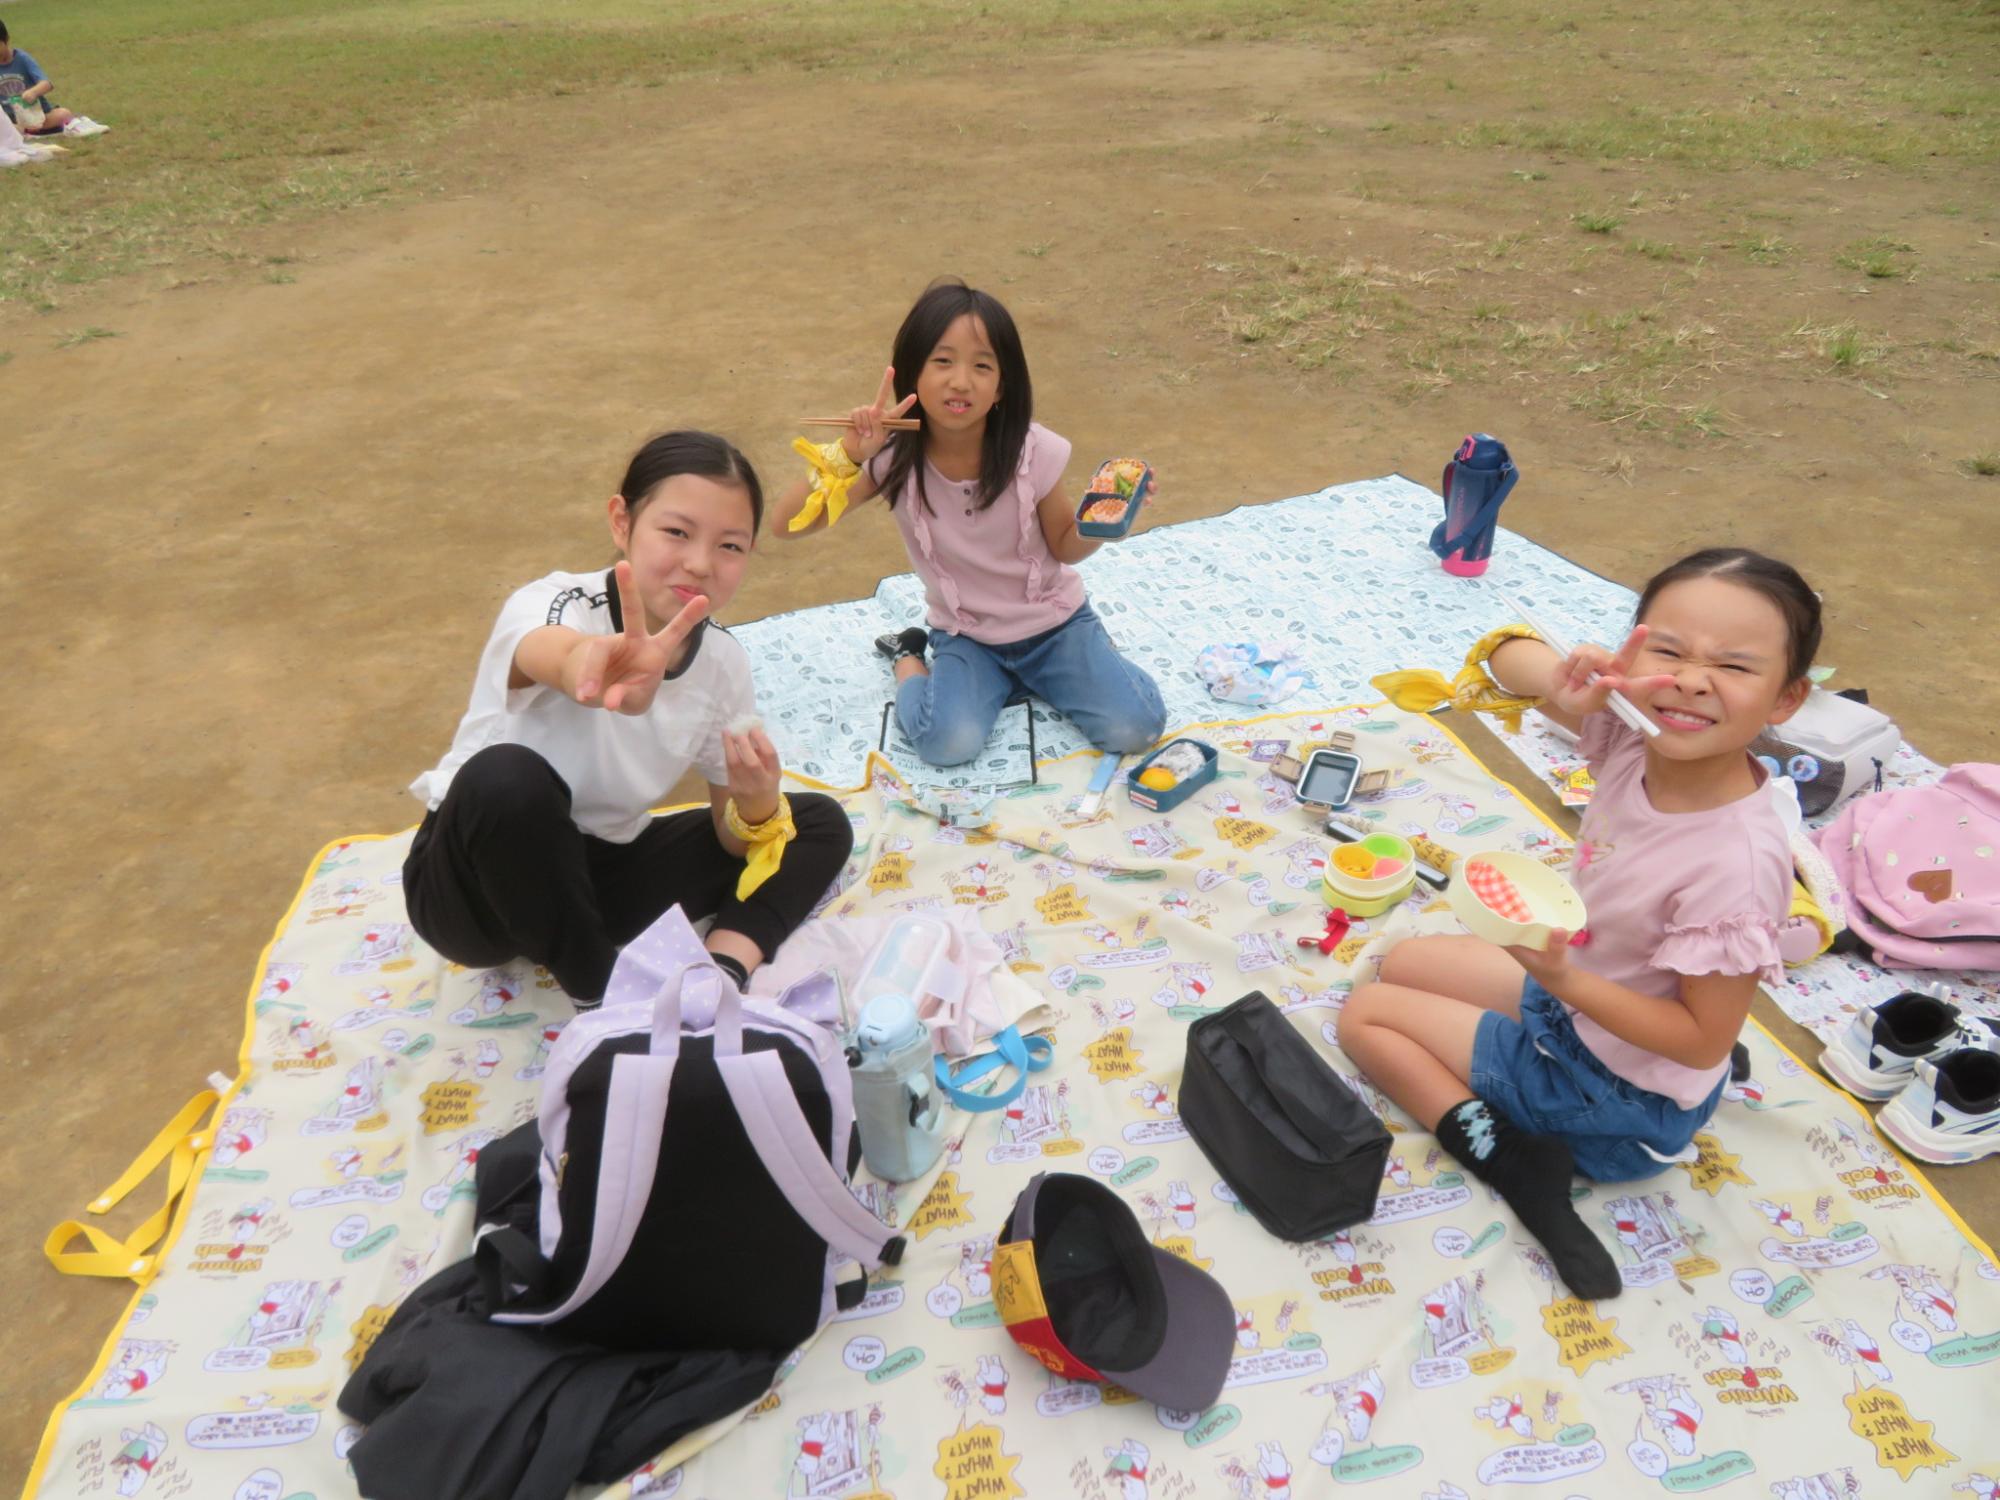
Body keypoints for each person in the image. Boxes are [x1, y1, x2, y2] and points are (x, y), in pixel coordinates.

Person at [1338, 548, 1817, 1299]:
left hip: (1615, 1101)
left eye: (1733, 665)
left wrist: (1562, 979)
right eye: (1669, 651)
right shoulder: (1635, 736)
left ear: (1787, 699)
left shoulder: (1737, 864)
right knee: (1403, 962)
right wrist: (1574, 682)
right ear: (1632, 653)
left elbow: (1702, 1040)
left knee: (1366, 1014)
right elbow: (1507, 657)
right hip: (1583, 1002)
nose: (1693, 680)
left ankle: (1514, 1163)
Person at [402, 430, 854, 1008]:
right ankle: (604, 998)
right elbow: (552, 652)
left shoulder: (723, 663)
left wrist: (758, 805)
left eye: (730, 546)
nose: (700, 563)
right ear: (622, 522)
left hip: (596, 879)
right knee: (505, 777)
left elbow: (732, 841)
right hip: (474, 892)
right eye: (677, 532)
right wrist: (590, 666)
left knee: (817, 823)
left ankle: (721, 969)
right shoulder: (556, 603)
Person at [771, 278, 1167, 767]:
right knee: (946, 744)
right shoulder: (890, 457)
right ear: (913, 371)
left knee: (1136, 727)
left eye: (982, 365)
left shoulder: (1032, 450)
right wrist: (848, 455)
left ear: (1002, 386)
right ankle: (907, 656)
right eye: (942, 361)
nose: (960, 381)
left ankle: (1085, 657)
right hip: (969, 637)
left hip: (1055, 627)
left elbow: (1064, 546)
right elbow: (788, 525)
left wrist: (1106, 519)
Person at [0, 22, 75, 134]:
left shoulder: (22, 58)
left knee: (64, 114)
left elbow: (47, 84)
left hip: (38, 115)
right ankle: (20, 129)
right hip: (10, 119)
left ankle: (24, 130)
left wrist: (33, 92)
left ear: (6, 39)